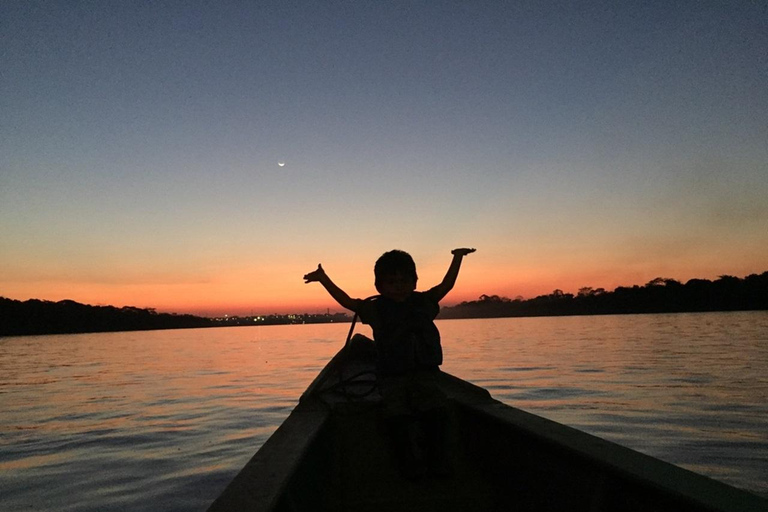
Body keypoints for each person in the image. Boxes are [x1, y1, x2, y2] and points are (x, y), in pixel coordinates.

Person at [303, 248, 475, 477]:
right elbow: (346, 301)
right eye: (391, 281)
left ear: (414, 282)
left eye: (404, 280)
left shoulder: (423, 302)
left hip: (426, 375)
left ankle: (437, 462)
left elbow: (447, 285)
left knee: (436, 415)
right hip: (392, 378)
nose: (398, 286)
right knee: (396, 419)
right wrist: (323, 279)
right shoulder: (375, 309)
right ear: (379, 286)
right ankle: (407, 465)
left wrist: (457, 258)